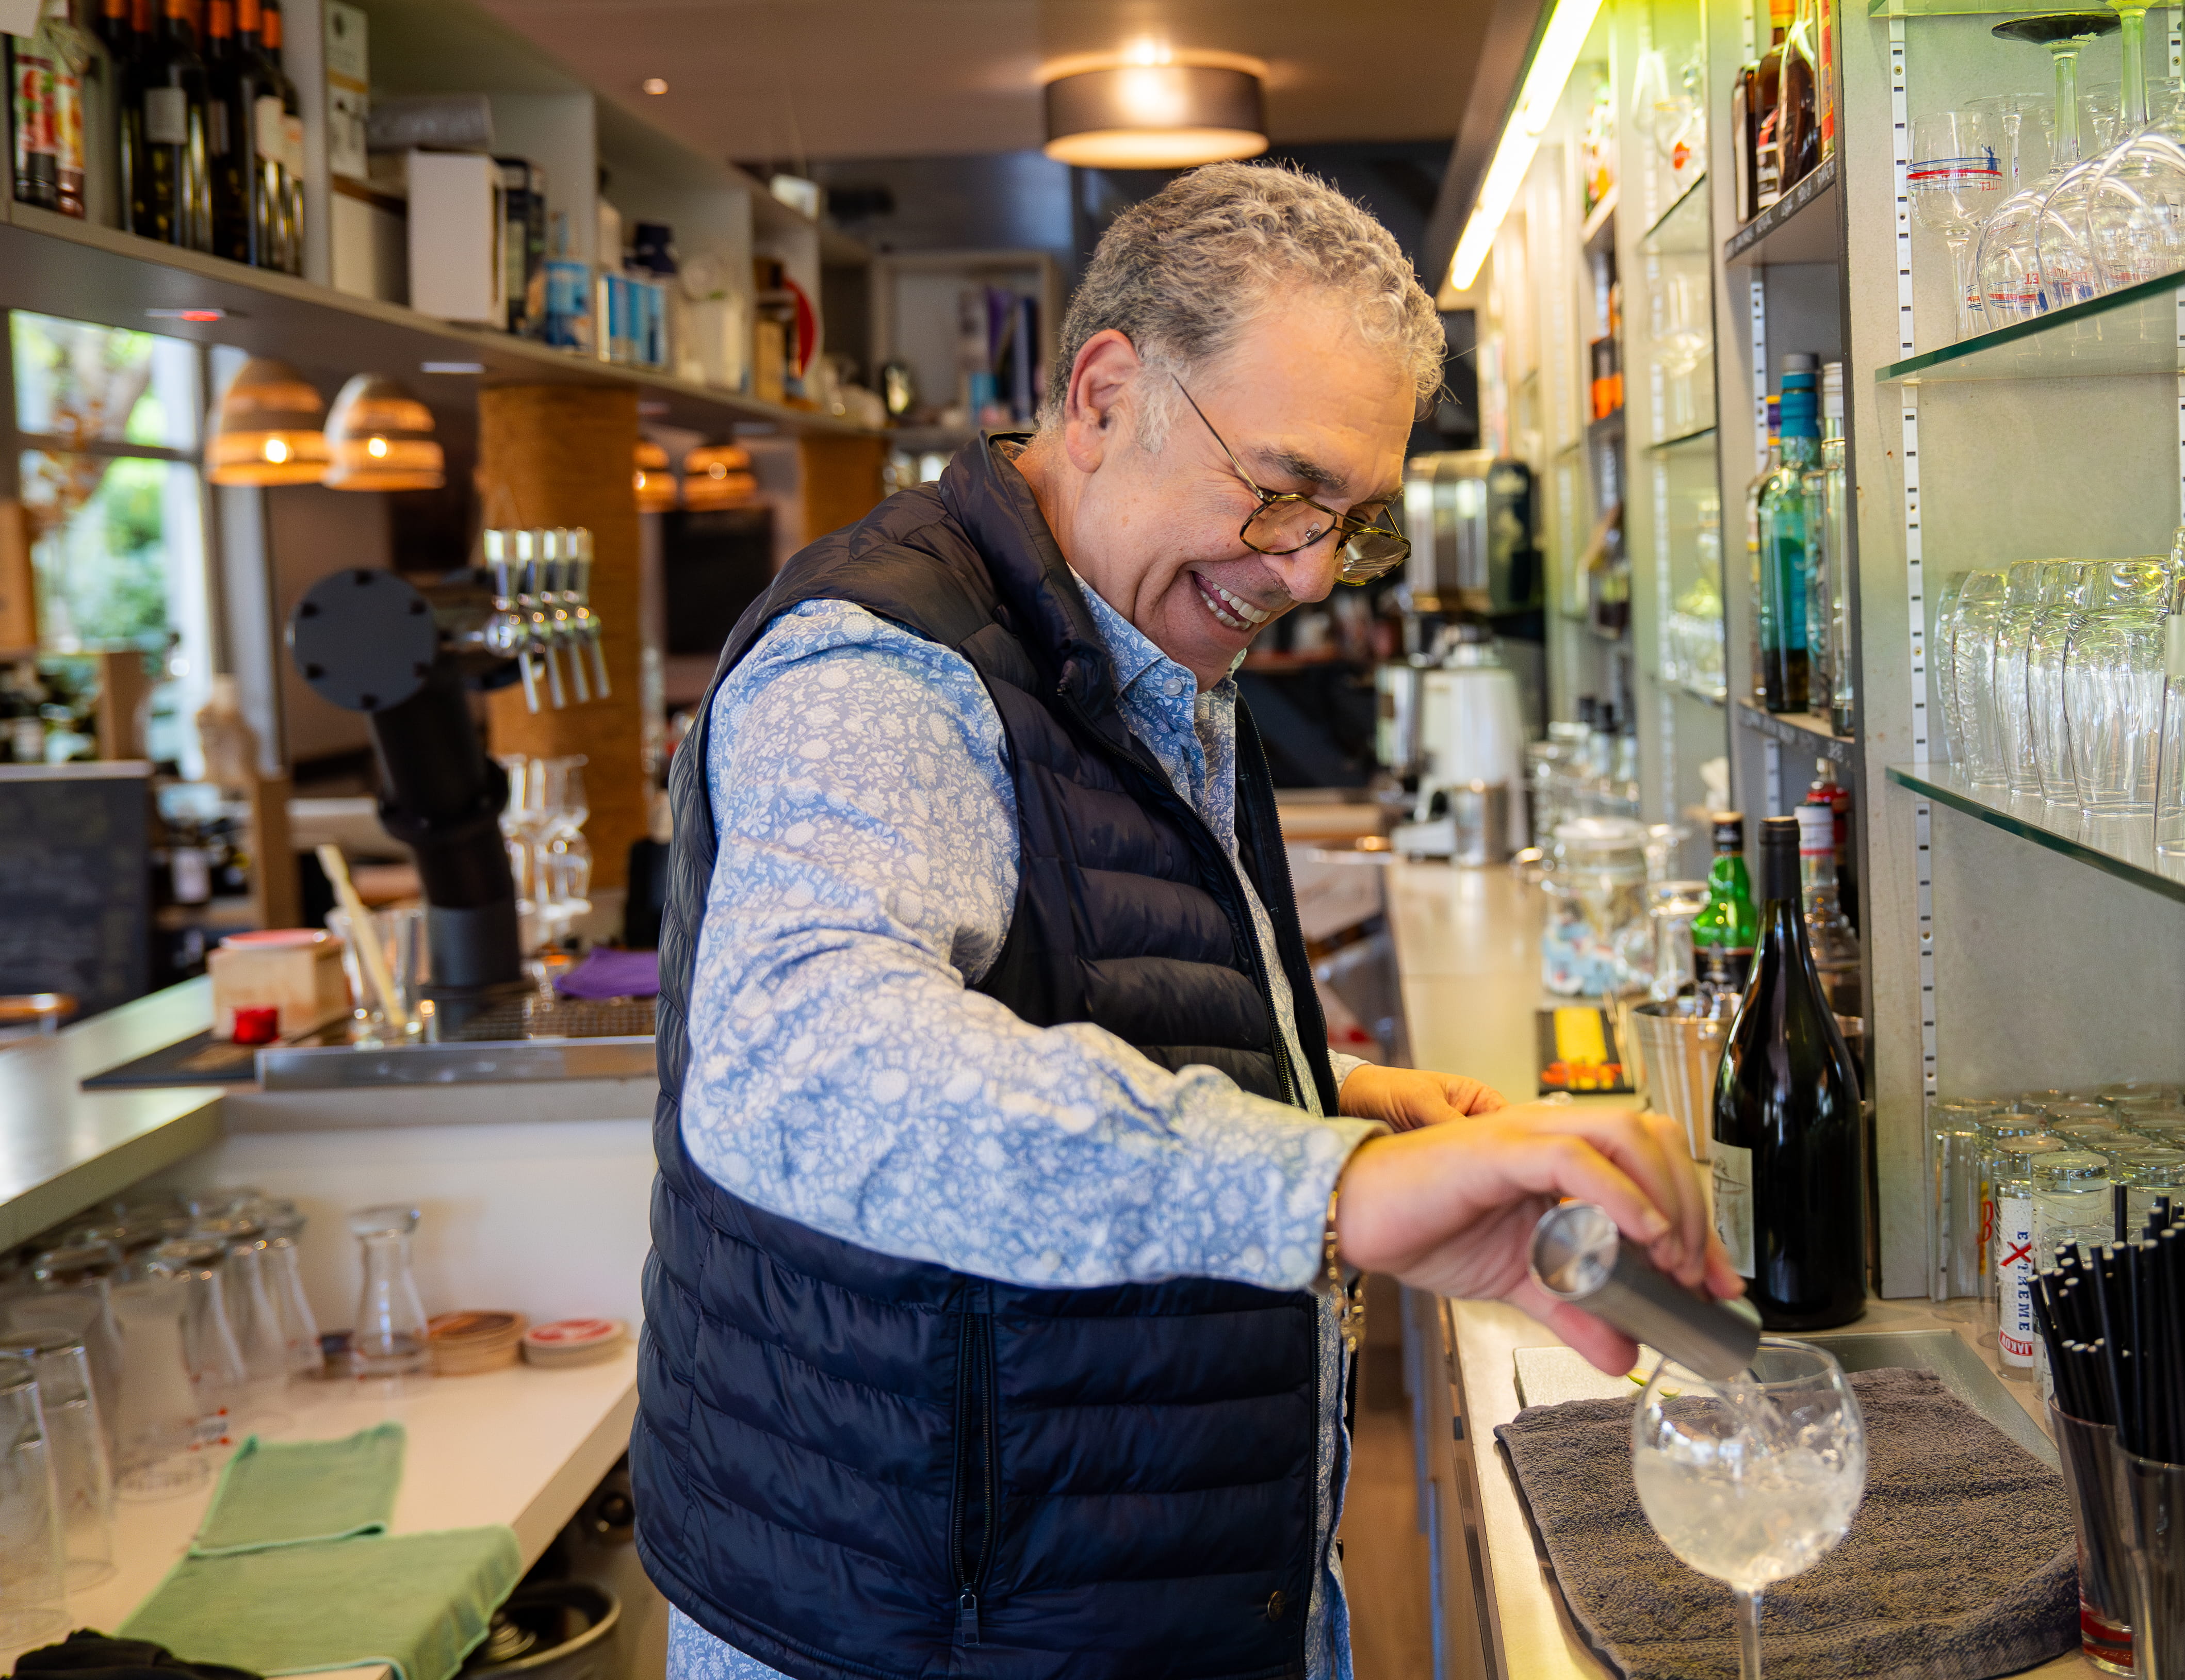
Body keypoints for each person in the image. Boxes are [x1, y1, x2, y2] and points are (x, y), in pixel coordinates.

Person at [634, 162, 1734, 1680]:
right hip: (925, 1641)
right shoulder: (886, 671)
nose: (1299, 572)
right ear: (1103, 391)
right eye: (1280, 490)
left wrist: (1331, 1097)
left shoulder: (1138, 649)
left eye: (1348, 523)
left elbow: (1047, 1012)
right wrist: (1329, 1182)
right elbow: (794, 1066)